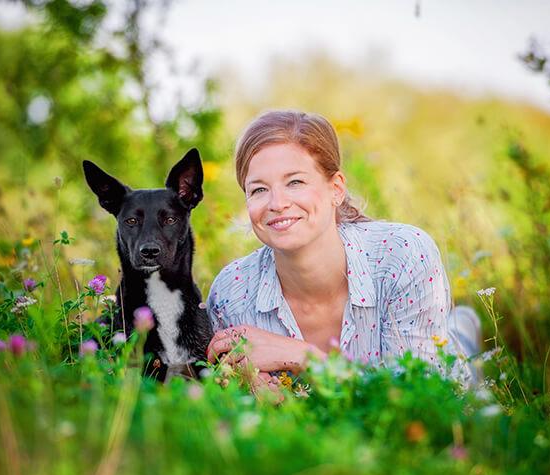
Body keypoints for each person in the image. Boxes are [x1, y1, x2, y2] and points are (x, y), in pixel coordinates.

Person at [205, 110, 479, 390]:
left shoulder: (404, 255)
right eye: (259, 190)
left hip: (448, 395)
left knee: (461, 364)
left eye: (295, 182)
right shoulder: (231, 296)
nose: (276, 203)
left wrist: (303, 357)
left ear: (336, 189)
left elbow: (420, 397)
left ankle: (462, 335)